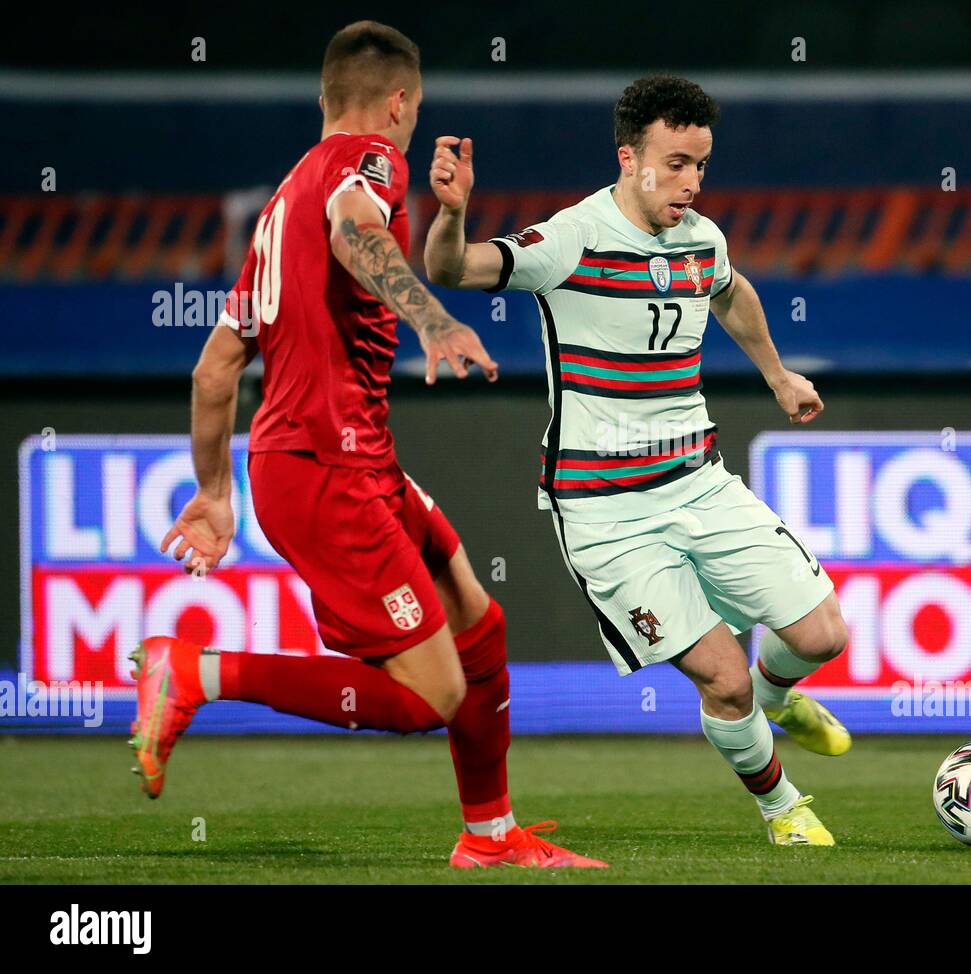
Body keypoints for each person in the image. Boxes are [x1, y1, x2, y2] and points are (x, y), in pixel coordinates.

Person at [138, 20, 604, 869]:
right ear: (398, 103)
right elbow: (358, 227)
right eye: (414, 110)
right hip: (325, 470)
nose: (412, 125)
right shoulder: (369, 165)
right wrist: (431, 318)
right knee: (432, 693)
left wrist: (213, 492)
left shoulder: (279, 209)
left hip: (340, 461)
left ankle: (491, 837)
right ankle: (197, 674)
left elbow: (215, 369)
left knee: (478, 621)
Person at [422, 74, 851, 846]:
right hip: (607, 513)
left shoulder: (701, 239)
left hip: (698, 481)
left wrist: (779, 375)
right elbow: (453, 272)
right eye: (676, 163)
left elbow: (729, 294)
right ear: (629, 157)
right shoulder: (571, 239)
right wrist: (452, 217)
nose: (690, 183)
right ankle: (783, 808)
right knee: (720, 677)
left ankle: (778, 696)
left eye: (702, 166)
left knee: (823, 634)